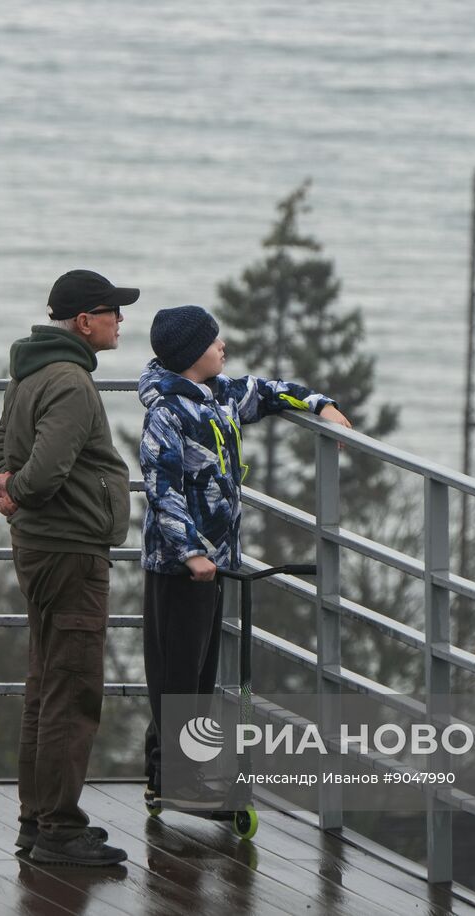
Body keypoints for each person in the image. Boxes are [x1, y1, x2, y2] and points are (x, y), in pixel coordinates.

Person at [138, 304, 351, 806]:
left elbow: (271, 391)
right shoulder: (166, 414)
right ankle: (169, 776)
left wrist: (320, 405)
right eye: (214, 342)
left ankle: (179, 773)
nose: (223, 347)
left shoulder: (221, 395)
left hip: (215, 565)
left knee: (202, 673)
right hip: (178, 568)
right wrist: (190, 552)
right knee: (176, 677)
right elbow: (159, 488)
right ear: (193, 355)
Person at [0, 268, 135, 867]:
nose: (120, 320)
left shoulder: (30, 372)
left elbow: (1, 447)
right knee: (72, 691)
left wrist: (7, 484)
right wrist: (18, 490)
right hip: (70, 550)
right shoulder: (71, 382)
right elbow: (45, 469)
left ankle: (38, 819)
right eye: (112, 311)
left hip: (39, 547)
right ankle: (59, 832)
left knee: (45, 686)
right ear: (83, 321)